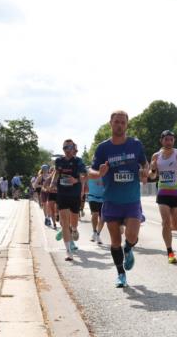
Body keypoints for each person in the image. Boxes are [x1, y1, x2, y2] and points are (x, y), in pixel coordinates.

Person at [89, 110, 149, 288]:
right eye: (116, 122)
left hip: (131, 199)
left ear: (127, 124)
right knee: (115, 240)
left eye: (123, 122)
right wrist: (99, 173)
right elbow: (90, 172)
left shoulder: (136, 145)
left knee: (132, 235)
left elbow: (144, 164)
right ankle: (121, 274)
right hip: (111, 200)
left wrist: (145, 171)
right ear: (110, 123)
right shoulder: (103, 148)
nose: (120, 125)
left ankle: (129, 248)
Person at [148, 130, 177, 264]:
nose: (169, 142)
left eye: (171, 139)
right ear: (162, 140)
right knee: (166, 222)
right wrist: (153, 169)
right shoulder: (156, 156)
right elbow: (152, 176)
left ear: (174, 141)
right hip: (163, 193)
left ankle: (167, 230)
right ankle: (170, 251)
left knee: (176, 226)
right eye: (166, 139)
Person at [53, 139, 88, 261]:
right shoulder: (59, 161)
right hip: (62, 193)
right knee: (64, 222)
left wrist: (76, 181)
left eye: (70, 147)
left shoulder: (78, 161)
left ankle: (74, 229)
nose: (67, 150)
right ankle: (68, 252)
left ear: (73, 149)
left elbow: (85, 175)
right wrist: (53, 183)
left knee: (74, 222)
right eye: (65, 148)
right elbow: (57, 173)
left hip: (74, 194)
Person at [86, 172, 105, 245]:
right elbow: (83, 180)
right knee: (95, 214)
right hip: (92, 197)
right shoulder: (90, 173)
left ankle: (98, 234)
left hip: (103, 198)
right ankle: (94, 232)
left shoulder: (105, 172)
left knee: (103, 218)